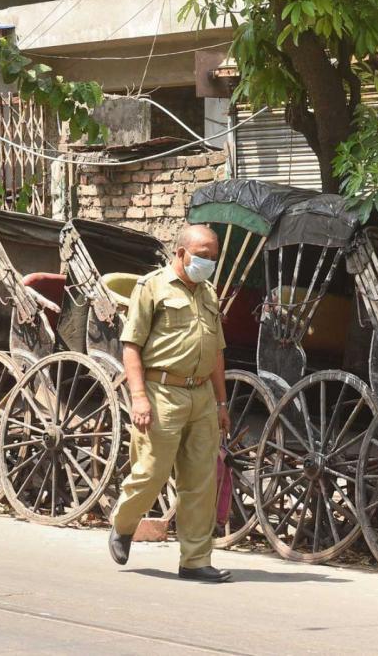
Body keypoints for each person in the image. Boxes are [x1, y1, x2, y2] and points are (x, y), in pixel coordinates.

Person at [108, 224, 232, 583]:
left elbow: (218, 353)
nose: (209, 262)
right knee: (151, 472)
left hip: (201, 396)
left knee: (200, 480)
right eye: (203, 255)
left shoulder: (209, 294)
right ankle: (123, 523)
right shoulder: (152, 287)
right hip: (161, 392)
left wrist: (222, 403)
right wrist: (139, 397)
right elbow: (131, 345)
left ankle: (195, 560)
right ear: (181, 253)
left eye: (214, 256)